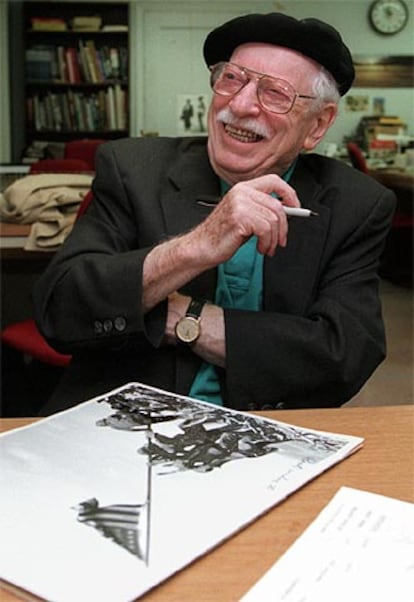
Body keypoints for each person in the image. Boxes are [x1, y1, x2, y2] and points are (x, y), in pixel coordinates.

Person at [34, 13, 396, 415]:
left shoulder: (356, 203)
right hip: (127, 422)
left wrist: (183, 319)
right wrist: (196, 246)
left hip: (269, 430)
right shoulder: (133, 168)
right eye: (231, 79)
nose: (239, 106)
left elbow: (344, 356)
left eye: (274, 93)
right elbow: (62, 311)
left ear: (318, 125)